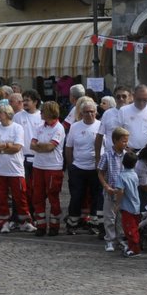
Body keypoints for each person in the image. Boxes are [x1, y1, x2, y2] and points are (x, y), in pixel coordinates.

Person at [98, 126, 141, 257]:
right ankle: (110, 240)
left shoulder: (127, 156)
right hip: (111, 190)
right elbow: (100, 172)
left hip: (123, 193)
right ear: (115, 141)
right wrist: (106, 186)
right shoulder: (107, 155)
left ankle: (121, 239)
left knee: (121, 219)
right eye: (123, 141)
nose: (125, 144)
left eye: (127, 141)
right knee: (109, 217)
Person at [0, 100, 29, 231]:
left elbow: (17, 148)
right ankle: (3, 222)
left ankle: (24, 222)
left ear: (7, 114)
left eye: (0, 113)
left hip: (15, 169)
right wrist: (6, 145)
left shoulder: (17, 128)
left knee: (20, 196)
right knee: (1, 197)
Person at [29, 100, 67, 236]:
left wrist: (40, 146)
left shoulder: (59, 128)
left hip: (53, 167)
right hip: (38, 166)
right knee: (37, 196)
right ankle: (41, 225)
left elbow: (51, 147)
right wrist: (42, 146)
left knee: (53, 196)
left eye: (43, 110)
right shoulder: (39, 127)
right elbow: (32, 145)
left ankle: (54, 226)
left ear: (50, 112)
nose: (40, 113)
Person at [65, 98, 102, 232]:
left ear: (96, 112)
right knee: (76, 196)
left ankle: (94, 223)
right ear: (81, 113)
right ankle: (72, 223)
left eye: (92, 111)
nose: (89, 114)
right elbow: (69, 147)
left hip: (95, 168)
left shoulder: (101, 126)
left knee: (96, 197)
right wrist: (71, 166)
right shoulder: (75, 127)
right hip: (78, 168)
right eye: (86, 112)